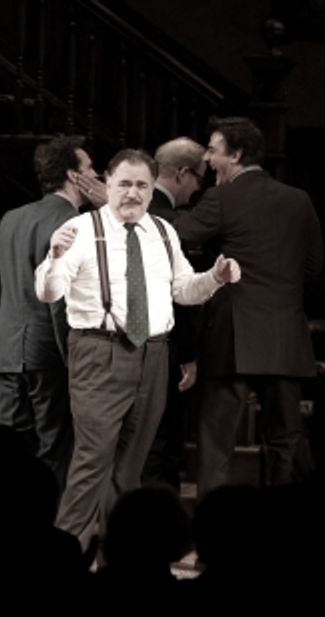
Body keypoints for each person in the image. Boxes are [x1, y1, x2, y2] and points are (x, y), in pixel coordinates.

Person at [35, 148, 241, 550]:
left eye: (142, 185)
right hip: (98, 352)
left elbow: (183, 291)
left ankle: (119, 557)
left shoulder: (163, 232)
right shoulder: (81, 229)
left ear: (151, 190)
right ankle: (62, 557)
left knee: (131, 465)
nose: (133, 193)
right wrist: (54, 257)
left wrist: (214, 278)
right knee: (92, 460)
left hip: (153, 354)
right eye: (124, 183)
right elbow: (49, 292)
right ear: (106, 184)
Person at [173, 117, 324, 498]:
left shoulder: (222, 198)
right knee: (284, 441)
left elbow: (177, 233)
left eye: (212, 149)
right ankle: (280, 534)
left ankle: (212, 537)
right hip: (284, 335)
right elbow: (313, 267)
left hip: (233, 335)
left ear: (236, 155)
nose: (206, 159)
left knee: (216, 443)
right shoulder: (298, 199)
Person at [0, 135, 107, 492]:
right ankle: (43, 532)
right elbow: (59, 300)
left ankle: (4, 525)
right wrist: (73, 358)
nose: (96, 173)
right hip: (50, 355)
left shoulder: (12, 218)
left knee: (10, 447)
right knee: (53, 449)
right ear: (74, 175)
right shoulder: (78, 224)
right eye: (89, 168)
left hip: (4, 352)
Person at [142, 136, 207, 488]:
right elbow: (178, 297)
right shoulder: (171, 223)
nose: (199, 188)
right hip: (162, 345)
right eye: (199, 178)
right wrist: (189, 353)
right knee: (161, 441)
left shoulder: (122, 212)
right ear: (182, 173)